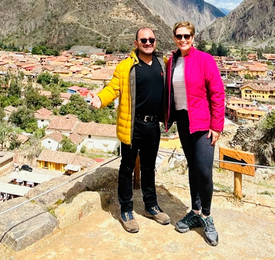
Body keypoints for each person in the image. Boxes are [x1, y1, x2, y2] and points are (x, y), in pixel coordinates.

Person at [92, 27, 170, 233]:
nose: (148, 42)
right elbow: (113, 88)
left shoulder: (162, 64)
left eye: (151, 39)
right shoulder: (126, 67)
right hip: (131, 125)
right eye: (143, 40)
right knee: (126, 168)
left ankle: (151, 205)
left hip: (153, 126)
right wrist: (100, 98)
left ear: (155, 41)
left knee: (148, 167)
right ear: (135, 43)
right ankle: (126, 210)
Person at [163, 21, 225, 246]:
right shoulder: (172, 62)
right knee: (192, 167)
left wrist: (216, 126)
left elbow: (217, 93)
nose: (183, 40)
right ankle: (195, 211)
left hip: (202, 122)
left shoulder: (205, 60)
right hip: (183, 120)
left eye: (187, 36)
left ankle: (207, 216)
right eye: (179, 36)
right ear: (174, 38)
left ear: (193, 37)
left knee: (204, 170)